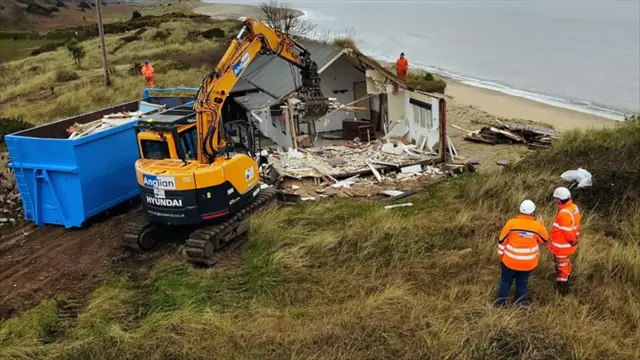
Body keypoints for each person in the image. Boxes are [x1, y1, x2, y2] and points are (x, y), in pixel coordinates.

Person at [495, 200, 549, 306]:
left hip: (509, 261)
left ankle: (500, 304)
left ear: (520, 210)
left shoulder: (511, 223)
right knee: (522, 283)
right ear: (533, 211)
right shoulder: (537, 226)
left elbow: (502, 241)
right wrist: (542, 225)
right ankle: (520, 305)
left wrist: (501, 255)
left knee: (505, 282)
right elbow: (544, 240)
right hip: (528, 263)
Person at [548, 187, 581, 295]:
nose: (554, 201)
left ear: (559, 200)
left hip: (561, 246)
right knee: (565, 263)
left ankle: (562, 288)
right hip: (567, 244)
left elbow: (567, 231)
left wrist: (572, 241)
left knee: (561, 265)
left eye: (555, 199)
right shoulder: (574, 207)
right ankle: (566, 277)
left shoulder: (564, 214)